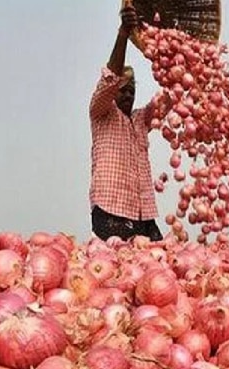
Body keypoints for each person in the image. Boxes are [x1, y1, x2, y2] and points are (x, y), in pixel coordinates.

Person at [88, 3, 164, 242]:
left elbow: (170, 97)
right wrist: (123, 34)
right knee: (119, 270)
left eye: (132, 89)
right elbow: (109, 78)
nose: (129, 94)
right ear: (113, 92)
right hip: (111, 209)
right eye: (123, 89)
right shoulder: (101, 112)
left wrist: (174, 62)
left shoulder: (141, 119)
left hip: (144, 213)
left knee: (156, 270)